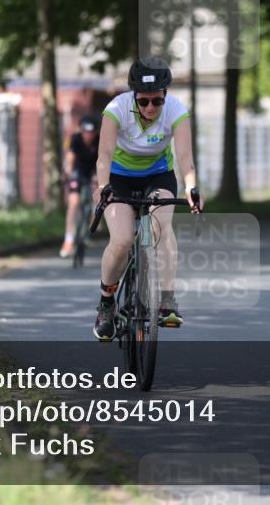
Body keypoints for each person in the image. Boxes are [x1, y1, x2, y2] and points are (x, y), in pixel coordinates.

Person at [91, 57, 203, 341]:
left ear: (165, 96)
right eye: (143, 102)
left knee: (161, 227)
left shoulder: (176, 110)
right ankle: (106, 303)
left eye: (157, 101)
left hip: (158, 175)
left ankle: (166, 302)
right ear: (133, 97)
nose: (151, 108)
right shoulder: (116, 109)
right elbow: (103, 156)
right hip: (118, 177)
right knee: (122, 239)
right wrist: (103, 186)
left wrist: (191, 188)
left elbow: (185, 158)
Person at [59, 114, 100, 258]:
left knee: (97, 197)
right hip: (77, 172)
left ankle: (89, 228)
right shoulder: (75, 139)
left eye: (91, 132)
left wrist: (98, 178)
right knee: (74, 202)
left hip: (93, 172)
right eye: (85, 132)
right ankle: (69, 240)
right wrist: (68, 174)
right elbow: (70, 159)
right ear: (81, 130)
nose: (88, 135)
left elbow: (101, 161)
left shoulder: (99, 141)